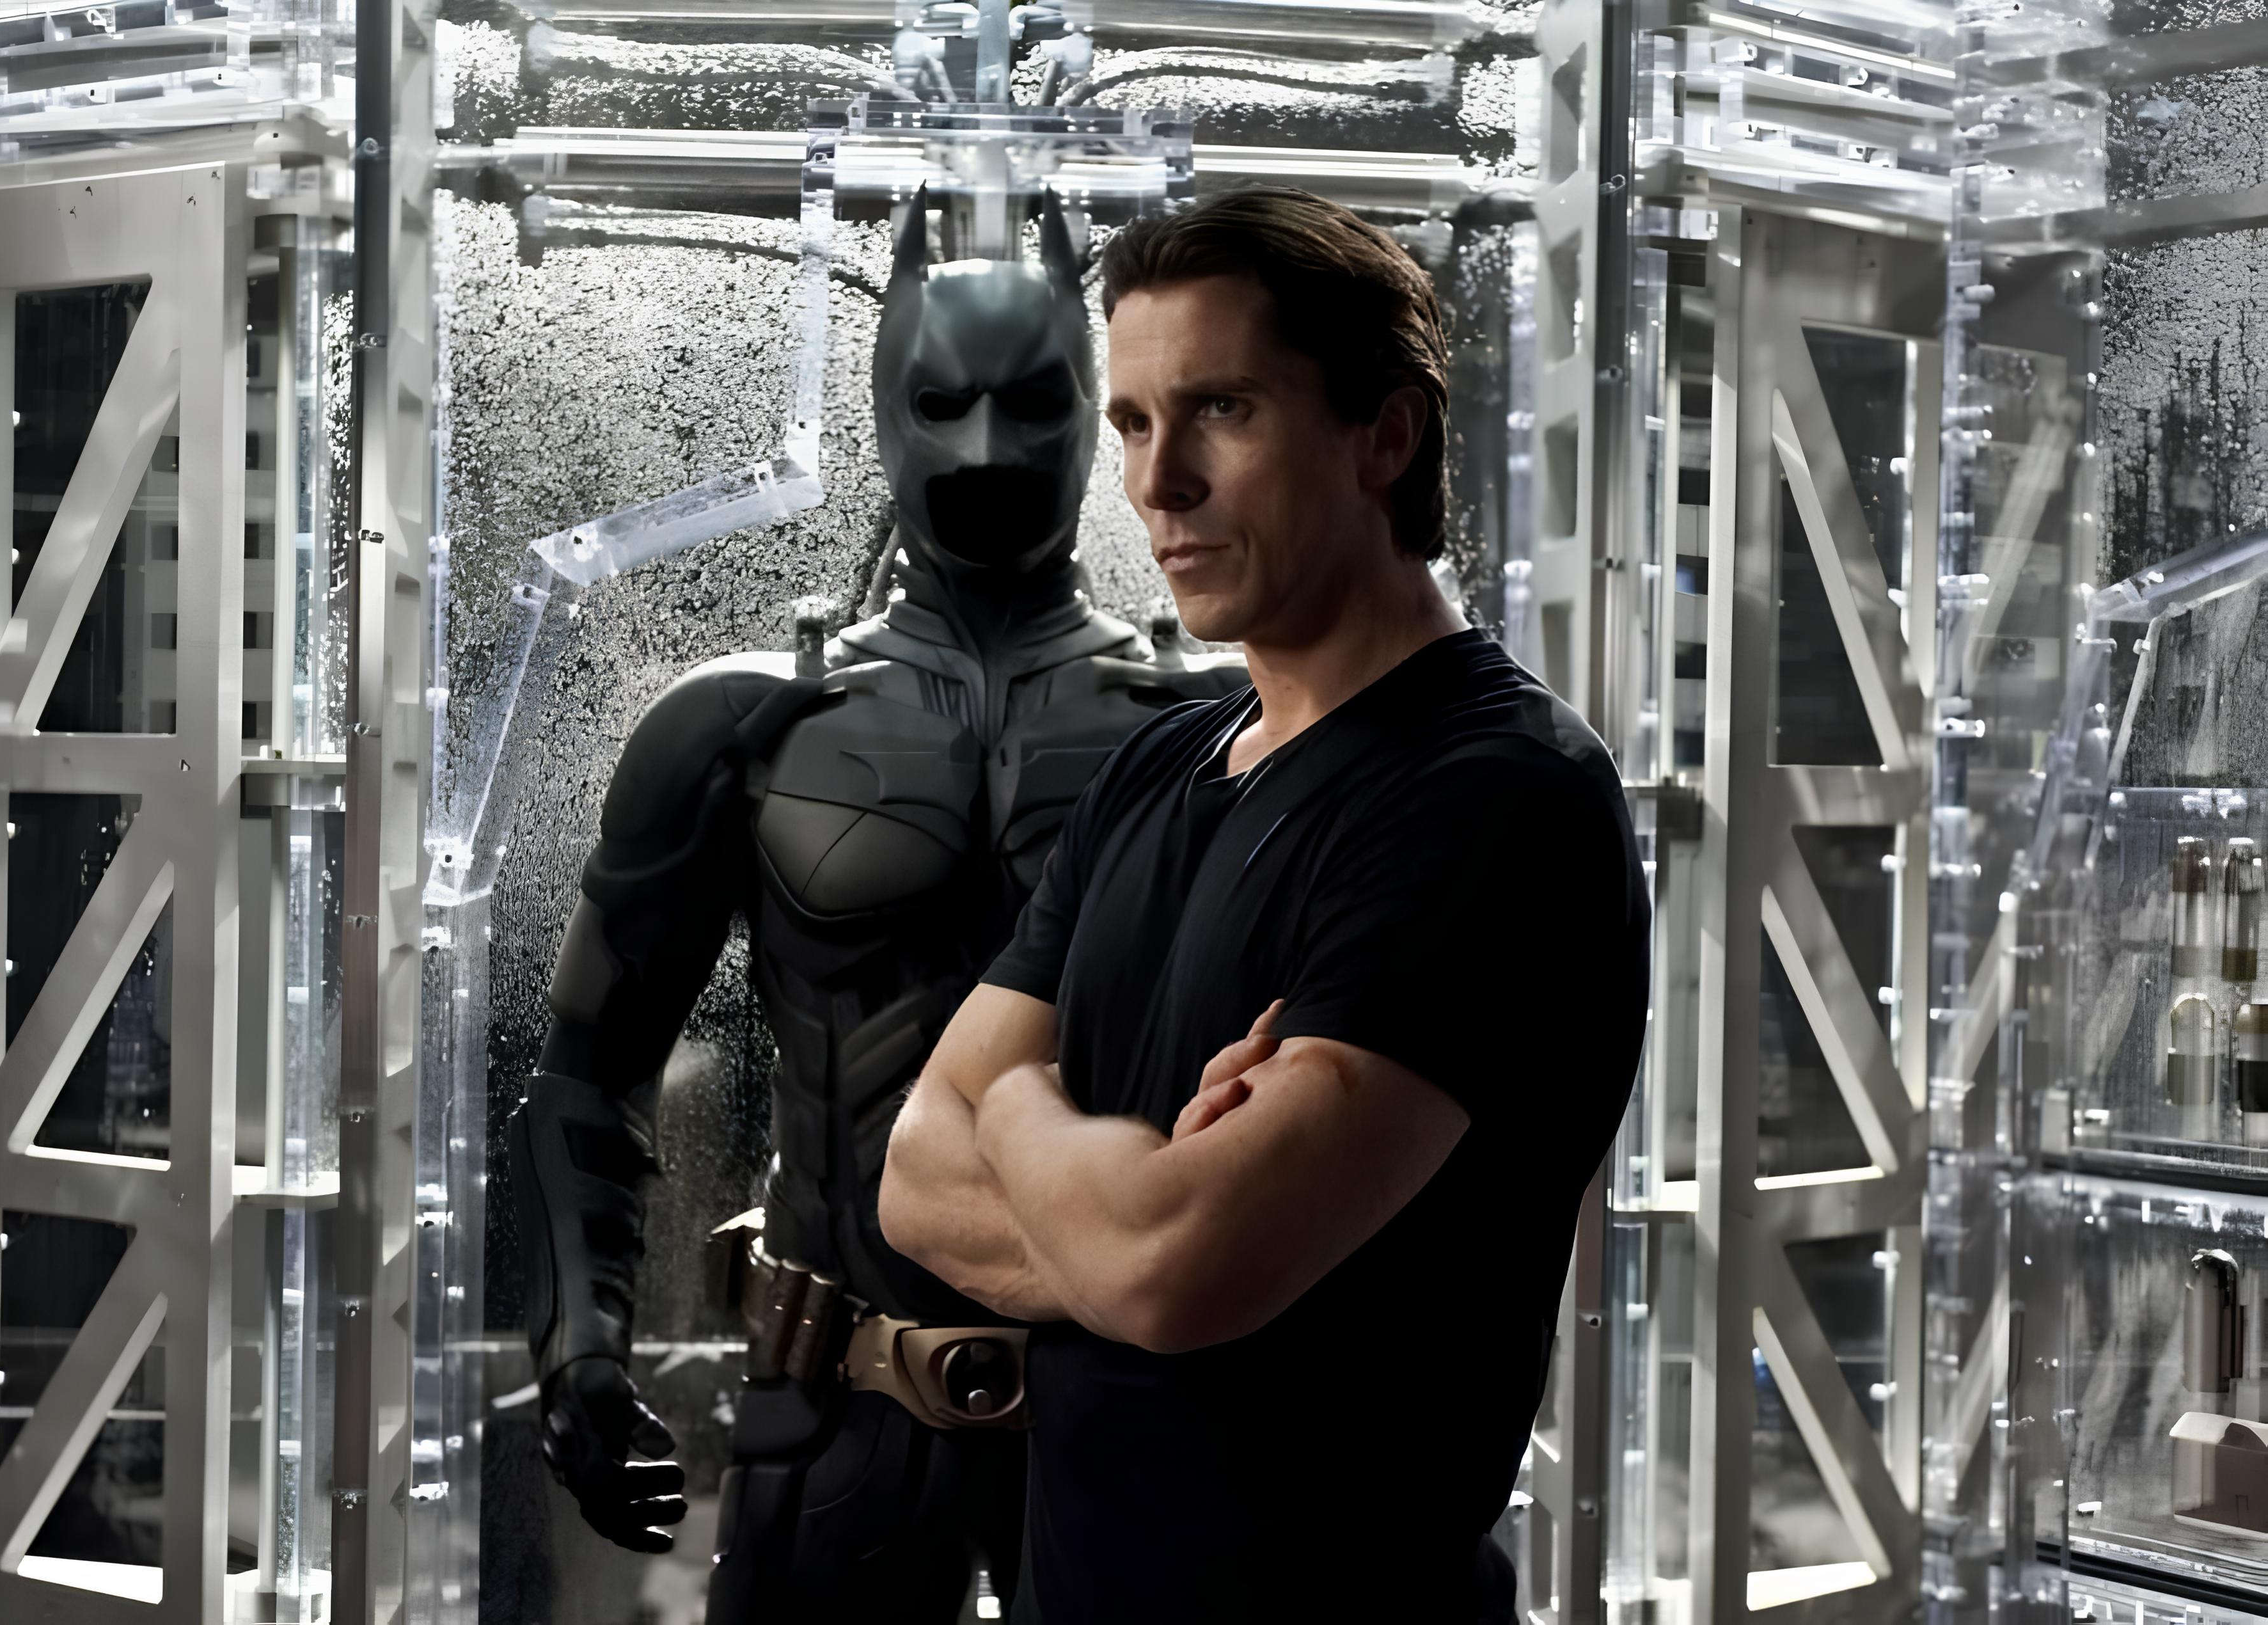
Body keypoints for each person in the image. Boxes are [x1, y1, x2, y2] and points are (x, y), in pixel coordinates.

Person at [879, 187, 1652, 1622]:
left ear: (1385, 435)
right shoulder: (1155, 767)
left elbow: (1169, 1269)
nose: (1156, 484)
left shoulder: (1495, 796)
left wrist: (1023, 1108)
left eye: (1219, 411)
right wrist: (1128, 1196)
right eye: (1130, 423)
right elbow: (914, 1178)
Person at [505, 194, 1243, 1624]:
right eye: (944, 403)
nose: (986, 449)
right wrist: (578, 1350)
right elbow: (588, 1079)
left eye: (1032, 402)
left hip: (1132, 1416)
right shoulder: (741, 730)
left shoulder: (1221, 727)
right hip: (834, 1414)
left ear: (1094, 414)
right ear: (885, 411)